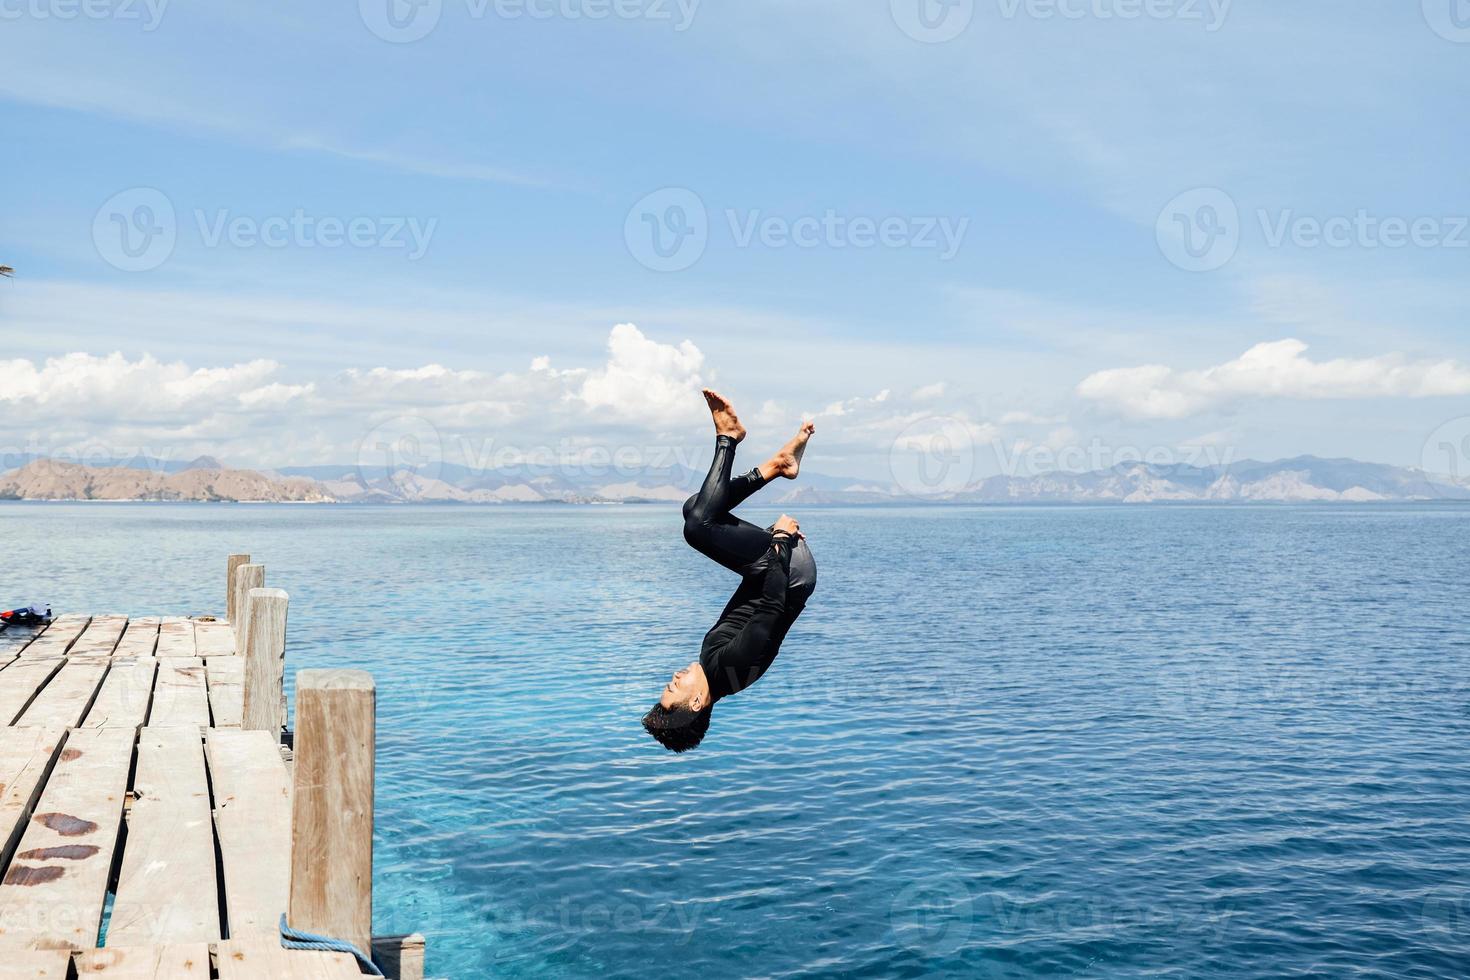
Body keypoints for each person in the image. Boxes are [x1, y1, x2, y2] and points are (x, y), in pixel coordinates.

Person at [642, 389, 817, 752]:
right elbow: (771, 607)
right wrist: (781, 540)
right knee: (698, 525)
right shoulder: (733, 668)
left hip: (768, 572)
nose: (673, 677)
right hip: (787, 571)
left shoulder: (714, 667)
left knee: (697, 508)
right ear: (695, 704)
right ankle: (729, 437)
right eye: (673, 686)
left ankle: (778, 465)